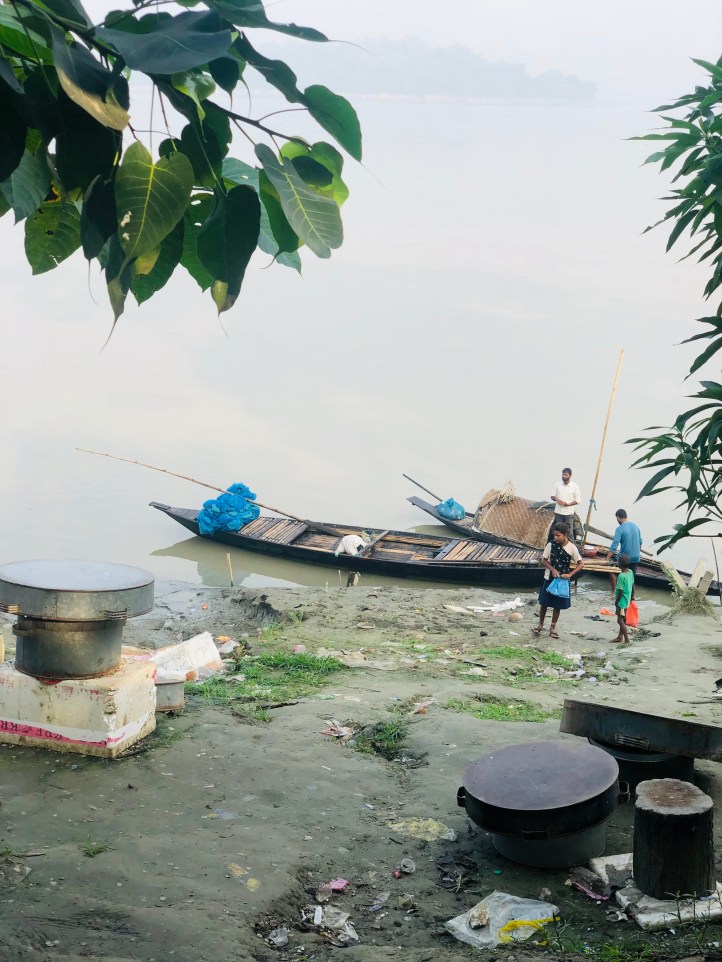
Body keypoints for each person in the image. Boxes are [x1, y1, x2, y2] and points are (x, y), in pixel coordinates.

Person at [533, 522, 584, 639]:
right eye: (554, 535)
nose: (555, 538)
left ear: (565, 535)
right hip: (549, 577)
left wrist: (570, 574)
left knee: (557, 605)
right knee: (544, 603)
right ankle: (540, 625)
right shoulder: (550, 545)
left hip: (562, 580)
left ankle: (553, 627)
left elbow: (581, 564)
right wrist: (552, 569)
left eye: (558, 535)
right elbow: (544, 560)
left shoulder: (572, 548)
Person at [550, 467, 581, 543]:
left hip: (569, 513)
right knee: (558, 532)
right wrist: (558, 500)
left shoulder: (575, 486)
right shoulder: (557, 484)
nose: (563, 476)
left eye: (565, 475)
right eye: (563, 474)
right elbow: (552, 496)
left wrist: (568, 504)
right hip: (558, 512)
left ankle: (571, 549)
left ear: (570, 476)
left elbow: (578, 500)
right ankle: (558, 547)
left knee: (569, 532)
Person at [609, 509, 642, 575]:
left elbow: (614, 546)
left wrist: (606, 558)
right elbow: (640, 543)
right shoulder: (636, 526)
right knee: (631, 577)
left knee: (612, 572)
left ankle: (615, 585)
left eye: (617, 518)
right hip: (636, 558)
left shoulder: (619, 529)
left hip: (625, 559)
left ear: (618, 517)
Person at [613, 554, 634, 645]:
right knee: (623, 618)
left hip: (621, 601)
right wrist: (632, 596)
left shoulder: (621, 576)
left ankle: (626, 639)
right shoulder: (630, 572)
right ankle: (620, 637)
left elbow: (620, 591)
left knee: (620, 620)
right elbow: (633, 585)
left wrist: (616, 602)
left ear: (619, 564)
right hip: (627, 599)